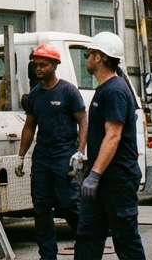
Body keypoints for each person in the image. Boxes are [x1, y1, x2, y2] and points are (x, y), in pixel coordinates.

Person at [75, 32, 145, 260]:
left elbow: (113, 135)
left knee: (125, 240)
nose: (86, 58)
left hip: (117, 180)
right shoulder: (106, 88)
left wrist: (94, 174)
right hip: (102, 179)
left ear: (99, 58)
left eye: (88, 54)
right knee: (88, 237)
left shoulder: (114, 90)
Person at [16, 43, 87, 260]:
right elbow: (29, 127)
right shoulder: (35, 96)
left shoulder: (68, 91)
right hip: (42, 157)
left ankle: (87, 245)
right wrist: (20, 156)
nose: (38, 69)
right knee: (41, 207)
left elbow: (83, 121)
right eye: (36, 65)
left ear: (55, 65)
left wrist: (80, 152)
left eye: (43, 65)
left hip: (64, 154)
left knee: (68, 203)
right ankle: (47, 256)